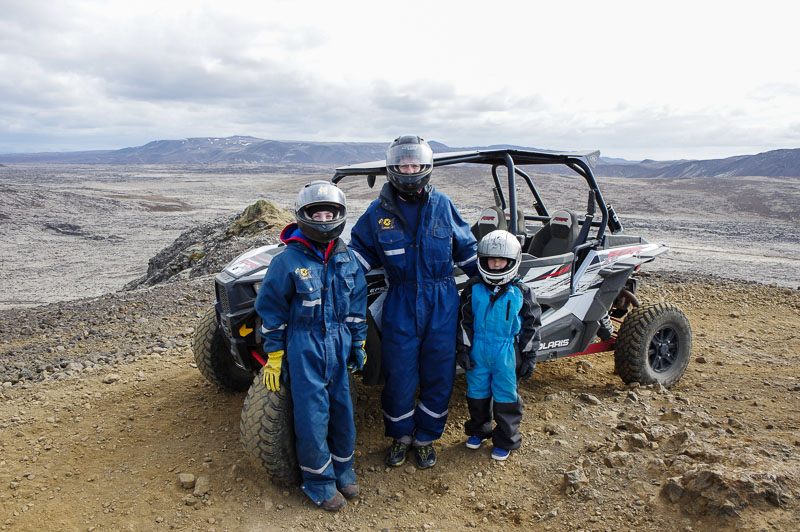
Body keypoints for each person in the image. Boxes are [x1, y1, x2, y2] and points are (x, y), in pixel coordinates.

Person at [349, 135, 478, 469]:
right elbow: (358, 253)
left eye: (415, 164)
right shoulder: (378, 213)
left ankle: (425, 438)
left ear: (426, 166)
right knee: (400, 374)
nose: (409, 170)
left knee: (439, 373)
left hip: (442, 301)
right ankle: (400, 436)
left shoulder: (443, 205)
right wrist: (336, 277)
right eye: (403, 164)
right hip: (401, 301)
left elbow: (467, 251)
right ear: (393, 168)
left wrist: (498, 280)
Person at [255, 181, 367, 511]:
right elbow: (271, 311)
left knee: (342, 412)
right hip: (304, 347)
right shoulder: (287, 261)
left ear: (339, 214)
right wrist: (274, 355)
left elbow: (357, 302)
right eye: (315, 212)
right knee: (312, 416)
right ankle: (318, 481)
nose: (323, 218)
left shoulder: (346, 258)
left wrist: (358, 342)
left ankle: (343, 469)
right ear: (303, 215)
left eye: (328, 211)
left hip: (338, 344)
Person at [456, 229, 541, 461]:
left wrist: (529, 356)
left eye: (501, 260)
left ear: (512, 261)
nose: (495, 265)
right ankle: (478, 430)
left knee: (506, 397)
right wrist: (462, 350)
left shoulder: (521, 292)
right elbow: (464, 323)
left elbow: (531, 327)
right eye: (490, 260)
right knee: (477, 393)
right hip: (478, 351)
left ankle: (505, 439)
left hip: (507, 353)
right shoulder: (473, 289)